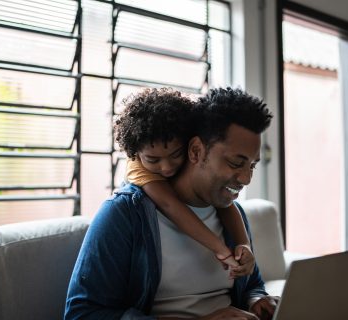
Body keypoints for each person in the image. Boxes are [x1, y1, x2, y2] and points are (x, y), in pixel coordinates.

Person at [65, 87, 279, 320]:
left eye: (252, 166)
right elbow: (82, 315)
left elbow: (251, 284)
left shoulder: (230, 210)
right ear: (196, 150)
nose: (246, 179)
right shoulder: (125, 213)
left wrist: (257, 300)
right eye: (236, 163)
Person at [113, 87, 254, 277]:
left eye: (176, 155)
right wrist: (219, 248)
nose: (166, 167)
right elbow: (169, 204)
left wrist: (244, 244)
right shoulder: (138, 167)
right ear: (135, 154)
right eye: (153, 160)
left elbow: (226, 205)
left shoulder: (187, 151)